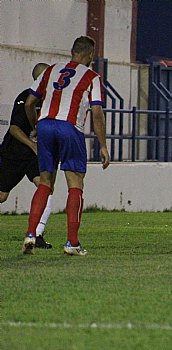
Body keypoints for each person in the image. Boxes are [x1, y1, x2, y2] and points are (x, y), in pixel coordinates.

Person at [21, 35, 110, 256]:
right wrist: (103, 145)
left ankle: (31, 234)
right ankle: (72, 243)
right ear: (89, 55)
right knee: (75, 183)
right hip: (69, 127)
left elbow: (30, 102)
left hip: (45, 125)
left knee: (45, 181)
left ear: (72, 52)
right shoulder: (92, 76)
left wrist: (36, 127)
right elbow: (97, 112)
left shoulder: (50, 70)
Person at [1, 63, 53, 249]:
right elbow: (14, 128)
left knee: (45, 187)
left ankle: (36, 234)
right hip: (14, 153)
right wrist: (32, 144)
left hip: (35, 155)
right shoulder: (25, 98)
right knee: (2, 196)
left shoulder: (51, 99)